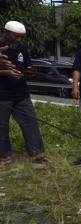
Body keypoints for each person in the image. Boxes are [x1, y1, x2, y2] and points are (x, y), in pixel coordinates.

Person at [0, 21, 49, 166]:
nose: (19, 40)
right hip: (2, 95)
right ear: (7, 33)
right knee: (1, 126)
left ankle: (37, 154)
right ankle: (3, 156)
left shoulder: (21, 48)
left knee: (30, 122)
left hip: (21, 93)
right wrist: (6, 73)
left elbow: (27, 65)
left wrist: (31, 71)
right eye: (17, 36)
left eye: (22, 37)